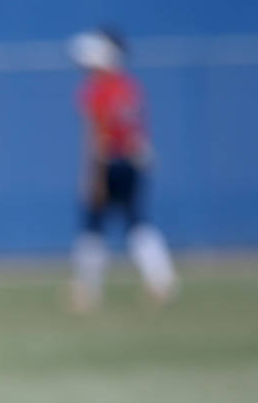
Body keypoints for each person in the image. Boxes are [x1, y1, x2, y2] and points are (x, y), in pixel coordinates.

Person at [67, 27, 178, 310]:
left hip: (110, 161)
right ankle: (161, 279)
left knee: (93, 225)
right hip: (134, 160)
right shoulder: (128, 87)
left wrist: (94, 176)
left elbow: (97, 137)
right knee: (137, 221)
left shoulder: (98, 90)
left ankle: (87, 290)